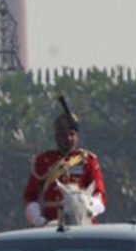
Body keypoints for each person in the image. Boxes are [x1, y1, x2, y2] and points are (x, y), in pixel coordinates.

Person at [23, 97, 106, 227]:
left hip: (83, 221)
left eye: (71, 134)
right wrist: (38, 220)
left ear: (77, 136)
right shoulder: (43, 160)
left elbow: (99, 195)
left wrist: (86, 209)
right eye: (62, 135)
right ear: (56, 137)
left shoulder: (87, 160)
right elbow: (30, 197)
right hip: (51, 223)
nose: (67, 139)